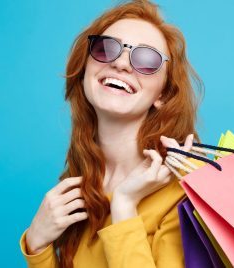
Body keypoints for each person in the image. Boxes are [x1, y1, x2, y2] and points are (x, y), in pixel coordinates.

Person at [19, 0, 202, 267]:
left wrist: (124, 206)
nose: (122, 65)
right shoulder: (81, 182)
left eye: (146, 59)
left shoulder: (185, 189)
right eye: (106, 49)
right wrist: (38, 244)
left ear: (163, 94)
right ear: (85, 69)